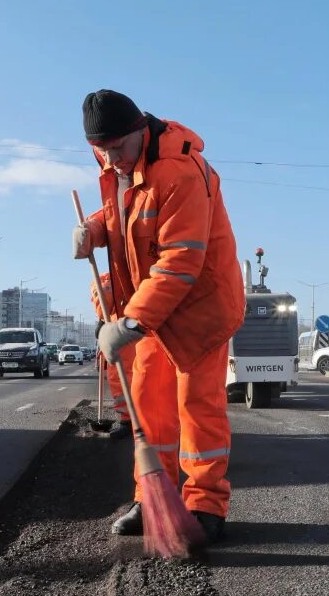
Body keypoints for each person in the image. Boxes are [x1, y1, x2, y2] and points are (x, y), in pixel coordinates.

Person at [73, 89, 245, 541]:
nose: (112, 160)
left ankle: (205, 505)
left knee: (197, 409)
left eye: (118, 149)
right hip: (153, 308)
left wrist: (130, 323)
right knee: (149, 407)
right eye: (102, 151)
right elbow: (127, 214)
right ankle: (153, 500)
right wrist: (95, 229)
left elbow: (180, 260)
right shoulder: (120, 164)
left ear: (139, 131)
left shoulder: (181, 172)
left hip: (199, 308)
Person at [90, 272, 134, 439]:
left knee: (122, 377)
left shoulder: (104, 281)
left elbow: (103, 307)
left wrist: (102, 320)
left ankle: (128, 421)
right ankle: (139, 420)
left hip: (121, 330)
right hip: (136, 325)